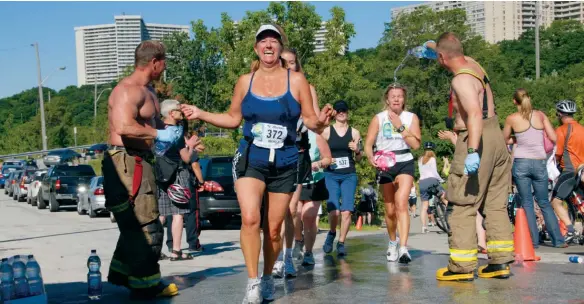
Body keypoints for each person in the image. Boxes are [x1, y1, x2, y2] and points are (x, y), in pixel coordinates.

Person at [180, 24, 334, 304]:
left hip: (286, 159)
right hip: (252, 156)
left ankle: (265, 278)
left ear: (280, 48)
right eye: (263, 41)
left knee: (274, 229)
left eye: (273, 40)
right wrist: (201, 113)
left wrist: (322, 121)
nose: (268, 45)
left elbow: (311, 121)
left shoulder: (296, 80)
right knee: (251, 218)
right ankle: (252, 282)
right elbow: (232, 119)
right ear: (256, 48)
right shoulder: (244, 81)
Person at [429, 32, 514, 281]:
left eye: (438, 57)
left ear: (442, 57)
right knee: (495, 203)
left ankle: (462, 267)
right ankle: (500, 263)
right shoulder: (473, 64)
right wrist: (432, 47)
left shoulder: (461, 81)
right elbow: (450, 48)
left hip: (476, 137)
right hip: (497, 136)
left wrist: (473, 151)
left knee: (463, 203)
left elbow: (474, 115)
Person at [102, 40, 181, 299]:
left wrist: (176, 126)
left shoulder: (150, 92)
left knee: (138, 225)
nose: (165, 66)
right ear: (154, 62)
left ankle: (125, 276)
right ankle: (146, 286)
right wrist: (158, 134)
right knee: (147, 226)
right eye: (164, 61)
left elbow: (155, 125)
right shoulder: (127, 91)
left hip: (142, 160)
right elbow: (124, 127)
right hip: (126, 162)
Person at [272, 47, 321, 277]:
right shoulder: (269, 87)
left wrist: (321, 119)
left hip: (298, 151)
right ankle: (276, 256)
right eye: (284, 62)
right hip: (273, 152)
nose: (288, 66)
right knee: (275, 211)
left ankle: (288, 256)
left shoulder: (307, 88)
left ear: (296, 65)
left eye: (291, 62)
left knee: (291, 209)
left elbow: (316, 122)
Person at [364, 83, 421, 264]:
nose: (396, 98)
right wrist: (370, 156)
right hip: (384, 163)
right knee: (389, 210)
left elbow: (416, 145)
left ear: (404, 100)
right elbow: (368, 143)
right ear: (387, 99)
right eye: (393, 96)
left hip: (404, 161)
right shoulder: (378, 118)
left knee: (401, 203)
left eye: (400, 96)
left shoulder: (411, 117)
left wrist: (400, 127)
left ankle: (404, 248)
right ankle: (392, 241)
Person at [502, 89, 566, 248]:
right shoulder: (540, 115)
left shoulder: (511, 119)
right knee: (544, 201)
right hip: (539, 162)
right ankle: (558, 240)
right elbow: (553, 137)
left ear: (514, 101)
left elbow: (504, 139)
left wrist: (518, 137)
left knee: (527, 203)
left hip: (521, 162)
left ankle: (532, 241)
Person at [322, 100, 363, 257]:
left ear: (347, 112)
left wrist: (357, 150)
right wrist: (327, 158)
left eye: (344, 110)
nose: (341, 112)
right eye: (338, 110)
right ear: (334, 114)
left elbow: (359, 159)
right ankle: (332, 233)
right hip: (331, 174)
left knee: (347, 211)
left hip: (349, 175)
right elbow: (319, 151)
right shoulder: (326, 131)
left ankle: (341, 242)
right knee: (334, 212)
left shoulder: (354, 133)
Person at [438, 130, 487, 253]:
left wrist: (452, 139)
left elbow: (463, 151)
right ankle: (481, 242)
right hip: (477, 172)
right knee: (477, 210)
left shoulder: (470, 134)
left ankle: (478, 242)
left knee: (470, 209)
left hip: (470, 175)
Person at [552, 99, 584, 243]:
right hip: (582, 170)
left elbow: (557, 153)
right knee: (580, 202)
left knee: (556, 201)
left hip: (570, 170)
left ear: (559, 114)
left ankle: (571, 230)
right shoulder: (582, 129)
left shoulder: (561, 130)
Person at [298, 129, 332, 265]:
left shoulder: (316, 135)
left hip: (314, 181)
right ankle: (297, 240)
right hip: (294, 181)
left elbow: (328, 159)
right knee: (296, 213)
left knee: (309, 217)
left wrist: (319, 164)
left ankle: (308, 252)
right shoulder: (288, 132)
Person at [417, 142, 447, 234]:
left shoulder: (420, 159)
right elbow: (434, 172)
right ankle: (449, 212)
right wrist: (441, 180)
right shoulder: (432, 159)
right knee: (444, 196)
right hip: (432, 181)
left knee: (424, 207)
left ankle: (424, 227)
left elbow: (421, 172)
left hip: (422, 183)